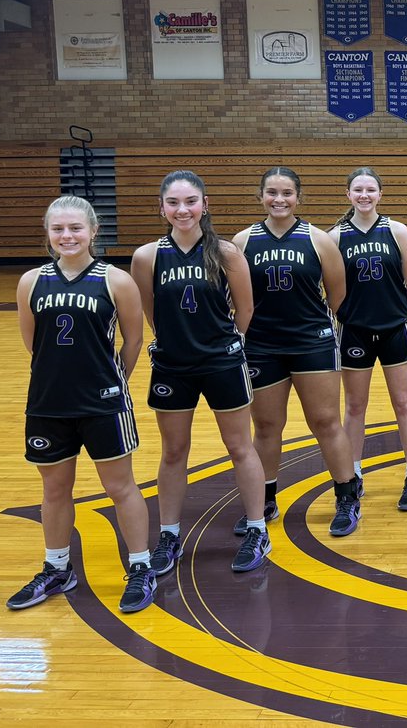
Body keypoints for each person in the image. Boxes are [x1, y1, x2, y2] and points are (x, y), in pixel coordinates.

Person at [8, 196, 156, 614]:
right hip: (48, 402)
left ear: (94, 231)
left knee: (119, 486)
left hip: (103, 403)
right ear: (48, 233)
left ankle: (141, 566)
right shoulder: (32, 281)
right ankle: (58, 568)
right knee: (54, 489)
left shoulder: (115, 280)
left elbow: (134, 341)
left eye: (75, 228)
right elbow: (32, 342)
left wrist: (113, 385)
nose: (67, 236)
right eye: (58, 229)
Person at [132, 170, 270, 575]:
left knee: (239, 446)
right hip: (173, 365)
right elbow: (150, 310)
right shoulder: (147, 257)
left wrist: (226, 344)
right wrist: (177, 342)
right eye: (173, 203)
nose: (182, 210)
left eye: (190, 201)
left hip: (222, 361)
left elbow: (244, 310)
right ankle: (170, 535)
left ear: (205, 205)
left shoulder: (226, 253)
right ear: (162, 208)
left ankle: (258, 528)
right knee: (173, 451)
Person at [234, 167, 359, 537]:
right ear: (260, 196)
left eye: (287, 193)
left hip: (311, 341)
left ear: (298, 198)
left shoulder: (319, 241)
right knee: (268, 427)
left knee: (325, 422)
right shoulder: (242, 242)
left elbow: (337, 297)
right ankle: (266, 499)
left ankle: (347, 496)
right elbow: (238, 300)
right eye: (271, 192)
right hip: (262, 345)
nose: (279, 199)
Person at [330, 168, 407, 512]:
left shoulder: (397, 231)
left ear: (380, 194)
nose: (365, 195)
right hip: (354, 330)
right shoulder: (336, 236)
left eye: (371, 189)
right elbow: (331, 290)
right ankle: (353, 474)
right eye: (358, 189)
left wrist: (386, 309)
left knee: (404, 404)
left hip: (395, 328)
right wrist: (354, 314)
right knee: (354, 407)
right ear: (348, 194)